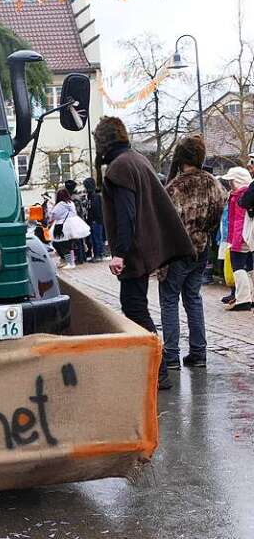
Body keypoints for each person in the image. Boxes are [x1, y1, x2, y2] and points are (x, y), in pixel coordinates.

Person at [94, 116, 194, 390]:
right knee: (135, 308)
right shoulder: (135, 160)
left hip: (134, 252)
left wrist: (120, 253)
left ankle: (156, 370)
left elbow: (126, 215)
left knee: (135, 309)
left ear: (103, 142)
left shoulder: (120, 167)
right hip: (141, 248)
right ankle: (149, 368)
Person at [159, 136, 226, 370]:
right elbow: (219, 212)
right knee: (193, 298)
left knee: (169, 300)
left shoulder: (174, 188)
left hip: (177, 250)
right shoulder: (213, 183)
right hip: (201, 246)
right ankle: (198, 352)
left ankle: (171, 355)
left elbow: (165, 224)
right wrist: (204, 230)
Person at [224, 166, 254, 311]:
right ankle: (250, 297)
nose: (230, 184)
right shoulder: (243, 194)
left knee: (238, 267)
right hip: (247, 237)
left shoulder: (240, 196)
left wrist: (235, 241)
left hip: (241, 237)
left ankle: (243, 299)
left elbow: (240, 221)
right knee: (250, 267)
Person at [49, 188, 78, 268]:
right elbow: (74, 213)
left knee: (62, 244)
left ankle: (69, 263)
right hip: (72, 225)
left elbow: (53, 215)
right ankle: (72, 262)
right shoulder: (71, 203)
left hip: (61, 226)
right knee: (70, 244)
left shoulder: (60, 204)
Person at [83, 177, 106, 261]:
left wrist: (94, 219)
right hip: (93, 220)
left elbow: (96, 209)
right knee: (94, 238)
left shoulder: (95, 197)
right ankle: (97, 254)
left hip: (96, 221)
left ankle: (99, 255)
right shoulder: (90, 196)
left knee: (97, 238)